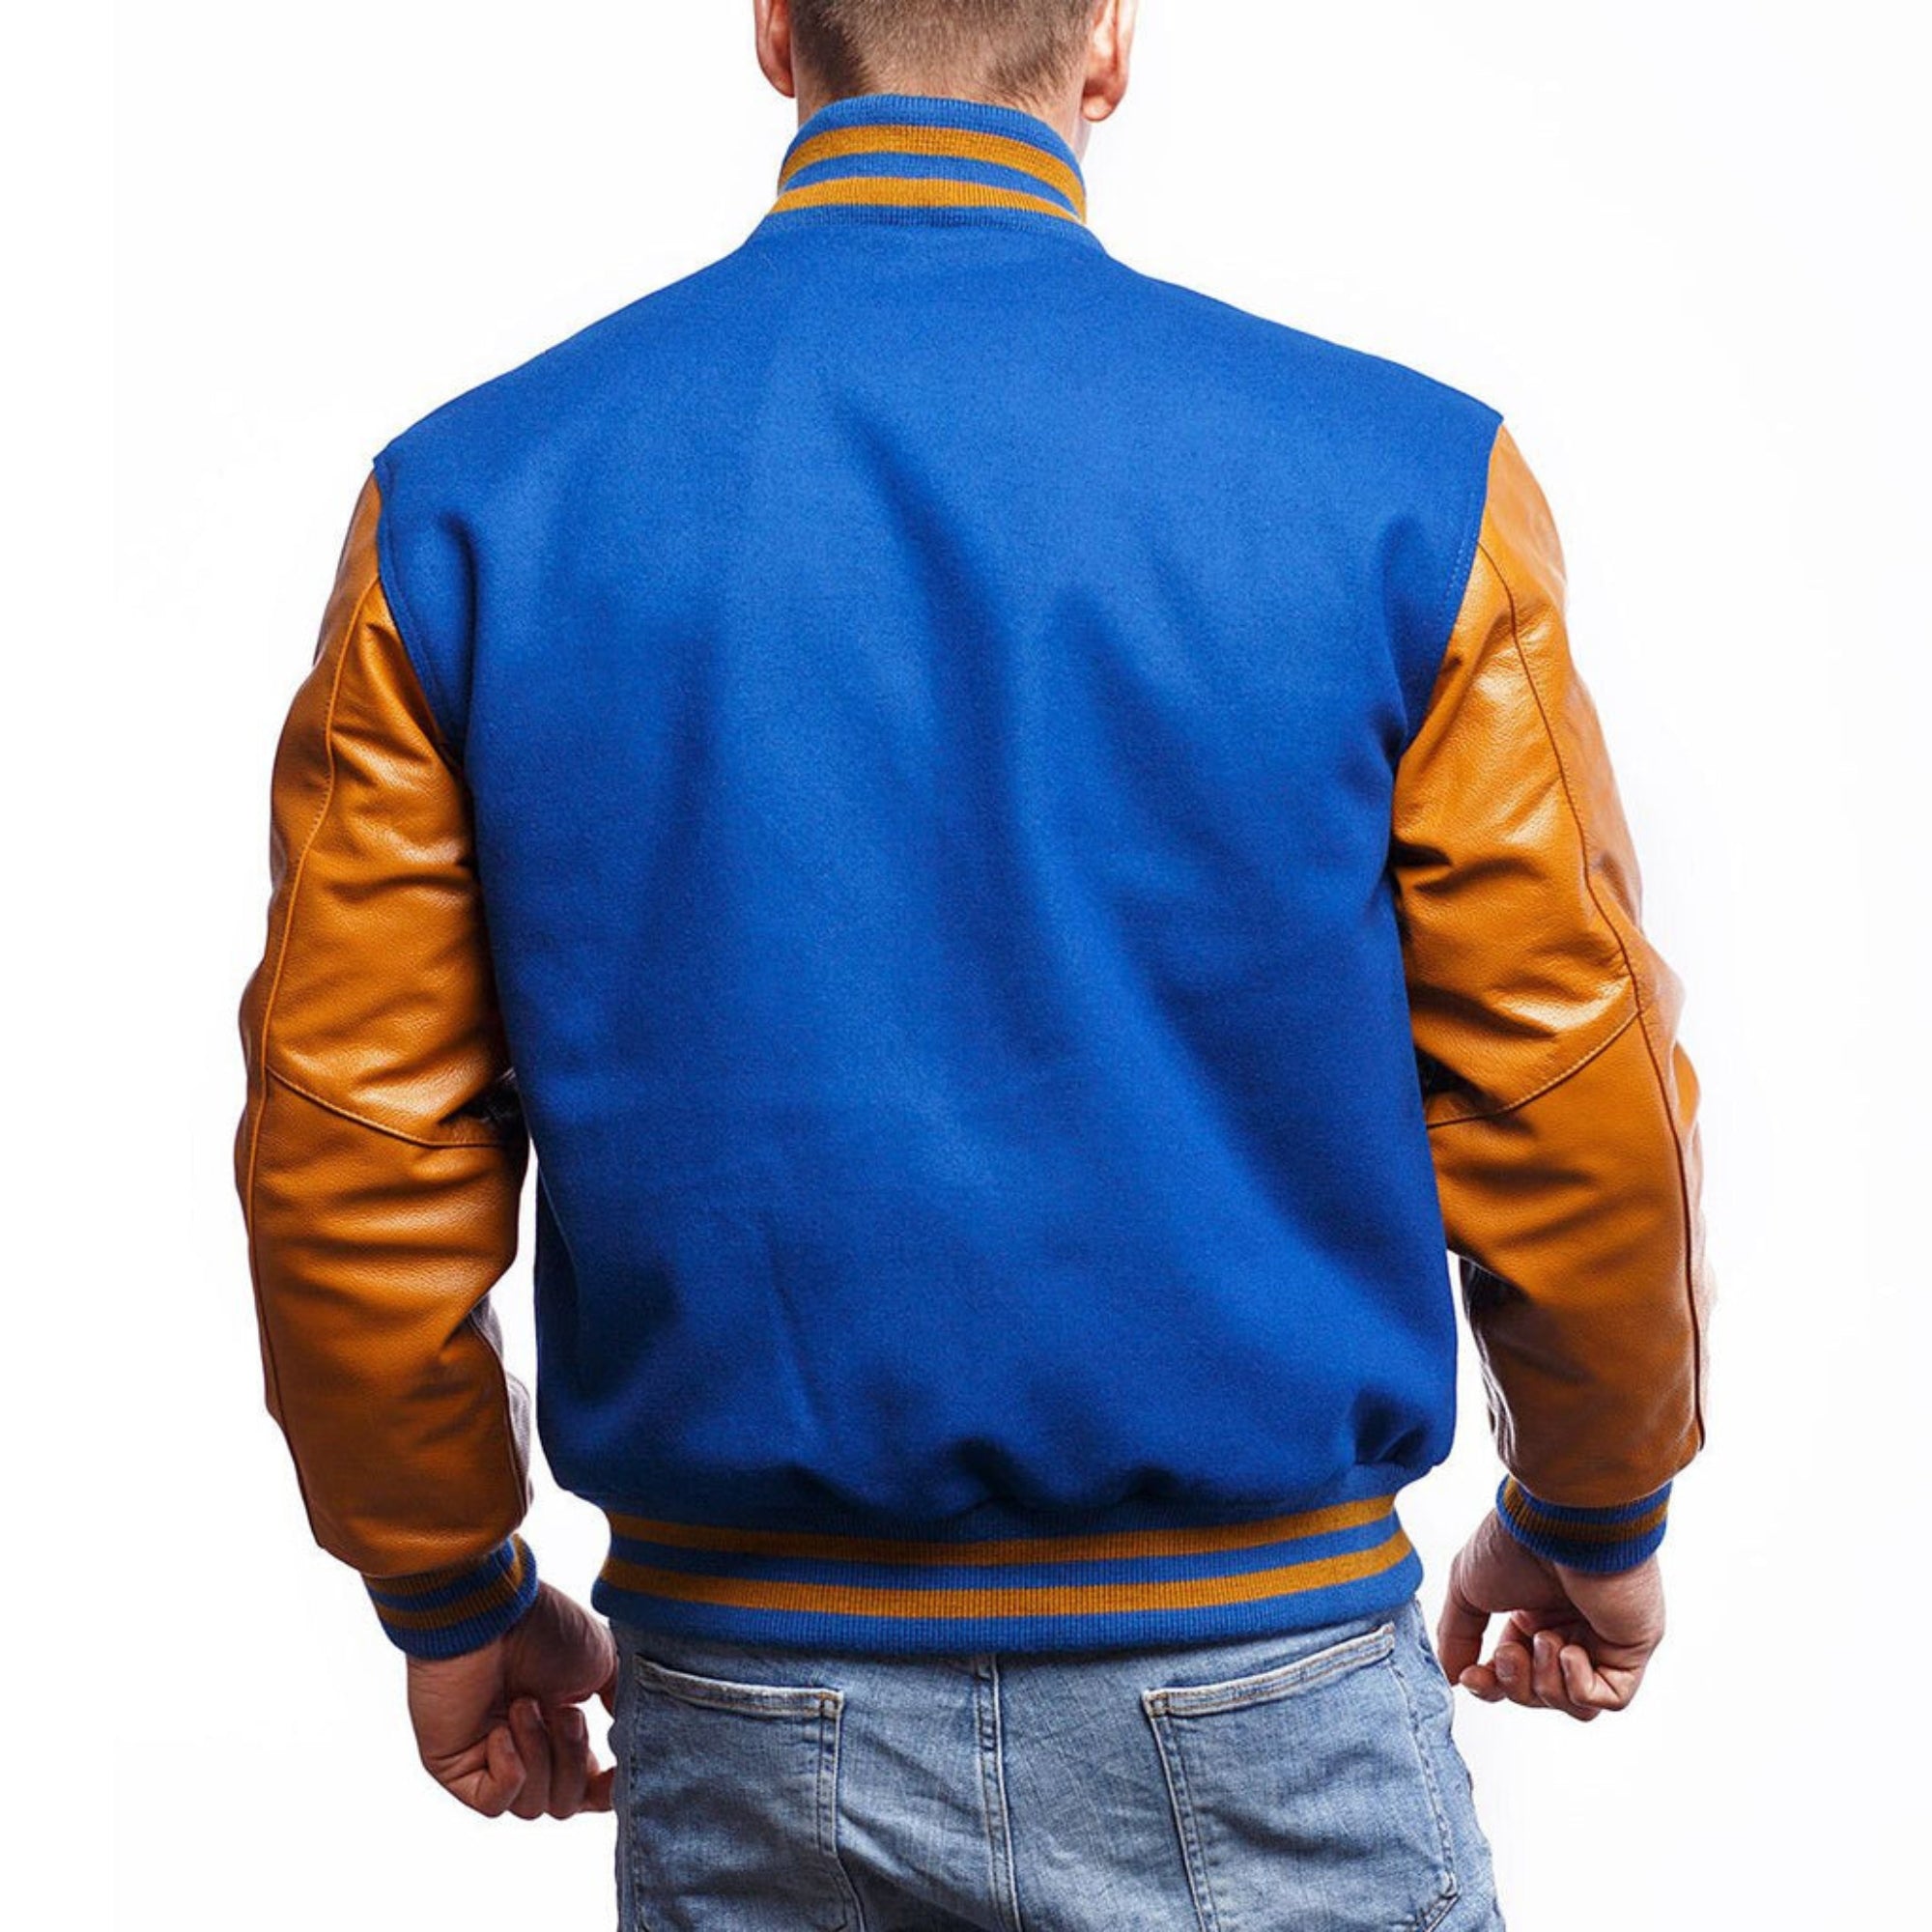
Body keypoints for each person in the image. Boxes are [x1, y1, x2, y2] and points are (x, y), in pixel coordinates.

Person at [232, 1, 1715, 1924]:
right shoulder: (1409, 493)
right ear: (1107, 43)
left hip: (754, 1723)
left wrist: (451, 1587)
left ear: (777, 31)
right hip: (1269, 1705)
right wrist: (1589, 1502)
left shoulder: (469, 510)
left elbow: (352, 1136)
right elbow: (1565, 1080)